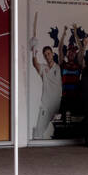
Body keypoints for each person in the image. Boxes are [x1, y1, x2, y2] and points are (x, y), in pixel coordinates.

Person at [30, 12, 63, 140]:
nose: (47, 56)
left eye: (49, 53)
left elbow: (60, 50)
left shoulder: (58, 67)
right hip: (46, 104)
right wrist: (33, 51)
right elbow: (35, 64)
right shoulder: (43, 68)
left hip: (57, 104)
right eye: (45, 54)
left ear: (52, 54)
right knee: (39, 131)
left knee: (56, 131)